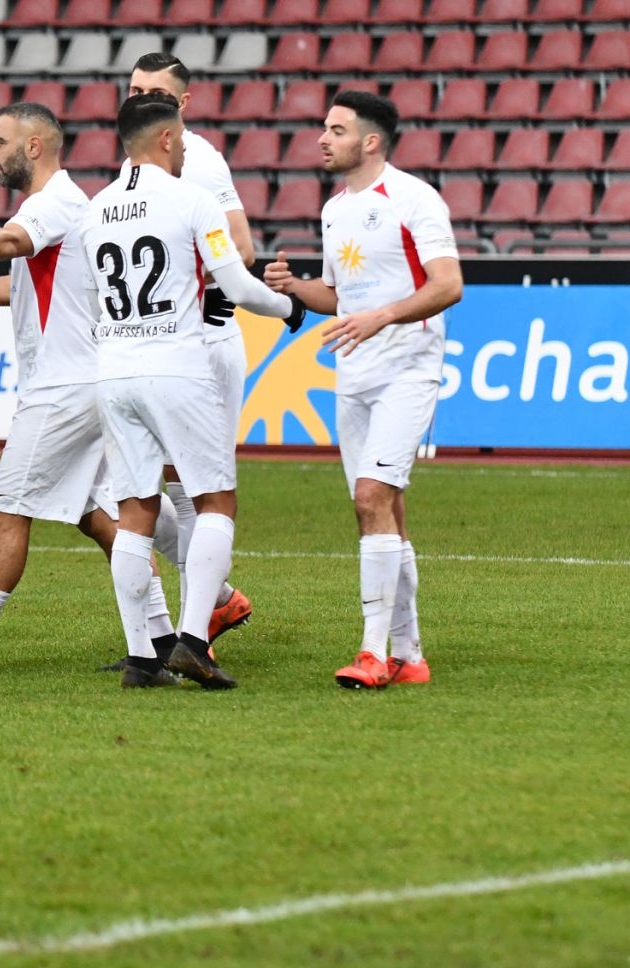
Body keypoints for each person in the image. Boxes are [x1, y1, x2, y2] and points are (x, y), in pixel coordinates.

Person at [0, 103, 176, 674]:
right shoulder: (57, 208)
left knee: (6, 510)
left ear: (34, 146)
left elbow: (11, 244)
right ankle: (162, 640)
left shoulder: (55, 204)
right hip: (85, 381)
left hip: (63, 388)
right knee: (100, 516)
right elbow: (12, 290)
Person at [83, 93, 304, 688]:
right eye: (179, 138)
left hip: (115, 368)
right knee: (215, 501)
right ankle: (194, 642)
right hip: (176, 367)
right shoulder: (191, 199)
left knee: (133, 513)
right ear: (164, 138)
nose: (183, 146)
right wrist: (288, 307)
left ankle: (140, 660)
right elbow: (235, 283)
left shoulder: (95, 209)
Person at [266, 91, 461, 689]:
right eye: (324, 128)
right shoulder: (333, 209)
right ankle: (412, 655)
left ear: (369, 141)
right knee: (384, 511)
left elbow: (449, 284)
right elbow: (340, 296)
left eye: (336, 129)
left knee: (371, 496)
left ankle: (373, 654)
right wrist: (295, 288)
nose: (322, 138)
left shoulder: (414, 198)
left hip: (407, 368)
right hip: (353, 375)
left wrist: (381, 317)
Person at [119, 53, 256, 657]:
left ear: (184, 105)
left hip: (204, 346)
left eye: (156, 91)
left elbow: (242, 248)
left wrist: (210, 293)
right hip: (161, 349)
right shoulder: (137, 159)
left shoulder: (197, 160)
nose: (142, 95)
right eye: (134, 88)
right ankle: (200, 613)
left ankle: (194, 627)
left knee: (193, 487)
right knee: (165, 488)